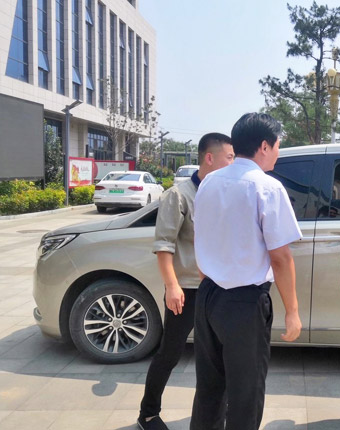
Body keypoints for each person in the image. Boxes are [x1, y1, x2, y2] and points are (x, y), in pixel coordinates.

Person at [191, 113, 302, 430]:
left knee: (209, 388)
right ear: (265, 146)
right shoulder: (267, 187)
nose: (278, 152)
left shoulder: (210, 181)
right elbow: (280, 258)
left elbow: (203, 236)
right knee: (246, 394)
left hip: (208, 295)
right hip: (244, 303)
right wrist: (292, 312)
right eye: (278, 145)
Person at [137, 133, 234, 430]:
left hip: (218, 288)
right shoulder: (179, 195)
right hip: (187, 290)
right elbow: (164, 245)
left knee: (220, 356)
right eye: (229, 158)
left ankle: (215, 415)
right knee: (170, 353)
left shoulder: (225, 193)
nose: (233, 163)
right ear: (210, 158)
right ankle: (148, 413)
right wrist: (172, 286)